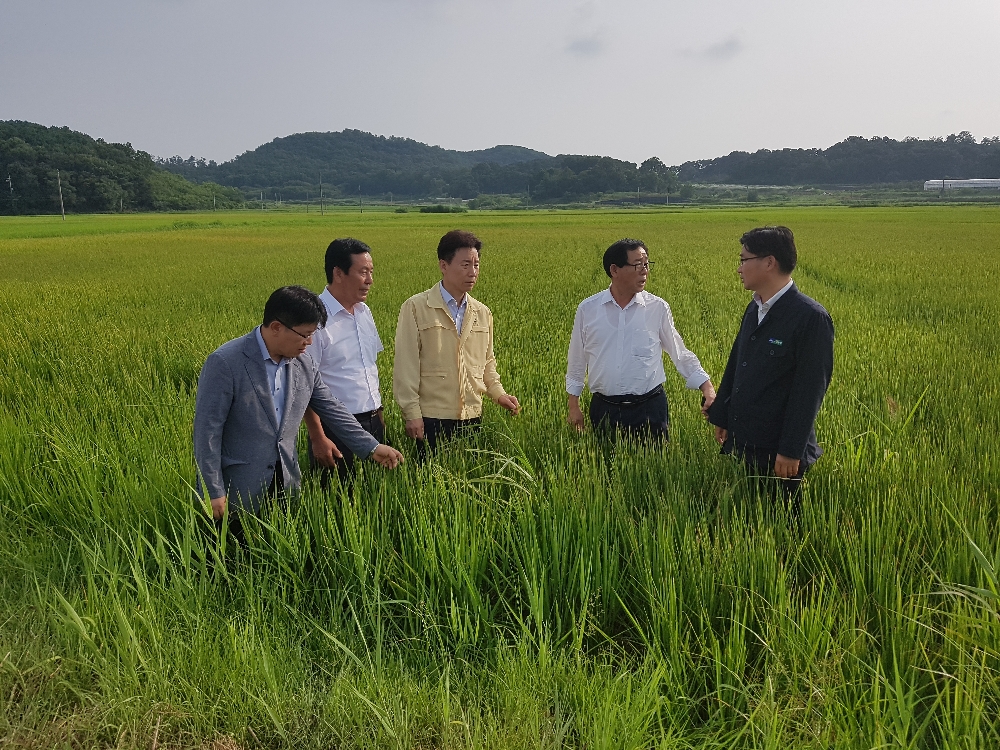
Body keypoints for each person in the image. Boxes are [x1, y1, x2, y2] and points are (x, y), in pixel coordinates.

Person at [194, 285, 404, 538]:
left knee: (278, 556)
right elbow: (207, 432)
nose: (309, 343)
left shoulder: (303, 364)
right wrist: (212, 489)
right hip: (237, 487)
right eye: (304, 335)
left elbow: (332, 408)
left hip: (286, 481)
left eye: (313, 334)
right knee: (233, 560)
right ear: (276, 327)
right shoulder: (226, 362)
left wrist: (371, 447)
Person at [706, 226, 834, 506]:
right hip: (748, 445)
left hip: (781, 456)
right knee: (753, 526)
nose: (739, 269)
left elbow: (809, 391)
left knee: (783, 530)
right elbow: (737, 365)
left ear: (769, 262)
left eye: (743, 260)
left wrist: (790, 450)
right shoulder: (755, 308)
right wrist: (723, 415)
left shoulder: (809, 318)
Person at [566, 238, 716, 439]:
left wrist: (707, 388)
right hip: (604, 409)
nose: (644, 270)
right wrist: (573, 406)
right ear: (614, 270)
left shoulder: (657, 307)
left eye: (646, 264)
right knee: (605, 467)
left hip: (650, 409)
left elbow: (680, 353)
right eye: (637, 265)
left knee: (654, 467)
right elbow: (577, 359)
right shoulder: (588, 309)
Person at [393, 229, 520, 456]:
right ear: (443, 265)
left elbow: (487, 363)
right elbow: (406, 366)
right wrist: (411, 413)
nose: (473, 272)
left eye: (476, 265)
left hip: (472, 416)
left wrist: (499, 394)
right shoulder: (416, 307)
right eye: (465, 265)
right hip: (432, 418)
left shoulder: (482, 312)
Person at [302, 238, 385, 488]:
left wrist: (379, 416)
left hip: (373, 422)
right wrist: (317, 436)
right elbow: (304, 383)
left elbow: (369, 368)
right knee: (338, 500)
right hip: (335, 427)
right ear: (338, 273)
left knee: (374, 498)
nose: (370, 280)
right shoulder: (314, 319)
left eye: (371, 272)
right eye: (362, 272)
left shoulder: (364, 312)